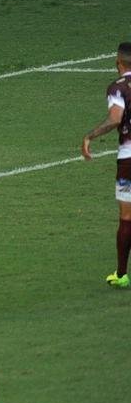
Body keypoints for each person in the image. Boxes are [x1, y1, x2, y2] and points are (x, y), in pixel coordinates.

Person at [80, 42, 131, 288]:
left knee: (127, 217)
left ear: (118, 63)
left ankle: (121, 275)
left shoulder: (118, 88)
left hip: (129, 157)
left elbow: (115, 118)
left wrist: (90, 136)